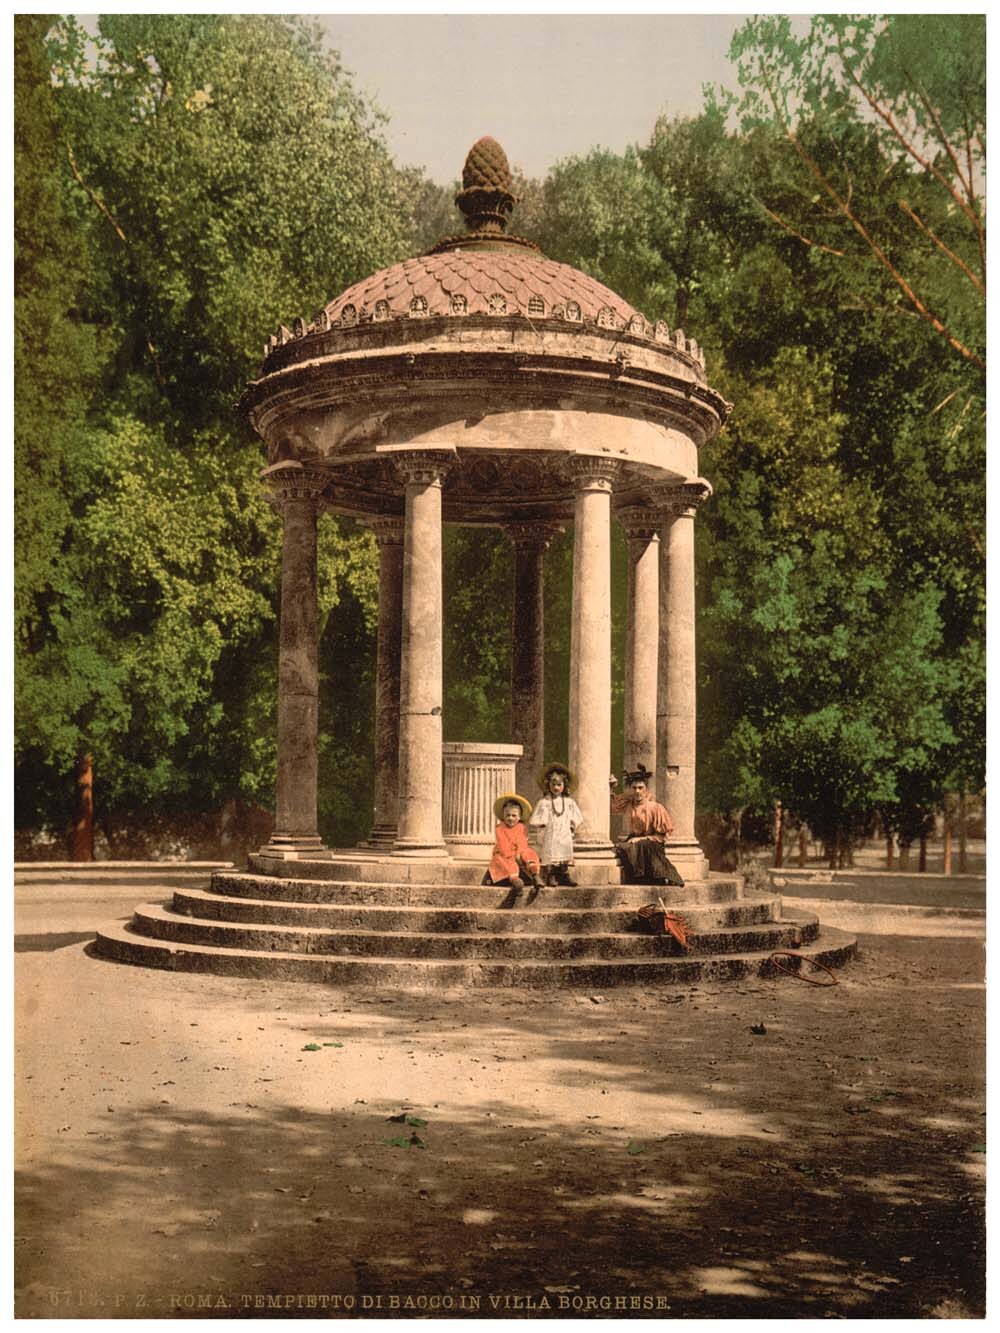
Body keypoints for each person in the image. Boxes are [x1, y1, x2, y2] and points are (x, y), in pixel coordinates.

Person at [609, 765, 685, 886]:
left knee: (640, 846)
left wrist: (640, 839)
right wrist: (611, 788)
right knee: (621, 848)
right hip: (636, 839)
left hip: (652, 843)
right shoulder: (629, 803)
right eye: (634, 788)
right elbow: (612, 807)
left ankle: (660, 875)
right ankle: (639, 877)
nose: (637, 791)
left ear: (646, 789)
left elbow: (661, 836)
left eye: (640, 788)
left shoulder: (655, 807)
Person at [530, 762, 583, 887]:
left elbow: (577, 816)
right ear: (548, 785)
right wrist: (542, 824)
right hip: (551, 831)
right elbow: (537, 818)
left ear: (564, 785)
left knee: (564, 850)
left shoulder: (569, 802)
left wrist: (572, 824)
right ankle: (551, 874)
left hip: (564, 831)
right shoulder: (545, 802)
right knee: (552, 851)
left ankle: (564, 874)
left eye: (559, 785)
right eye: (553, 784)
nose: (556, 787)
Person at [485, 793, 545, 902]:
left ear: (519, 816)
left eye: (514, 815)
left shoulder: (521, 828)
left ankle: (535, 874)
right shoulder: (500, 828)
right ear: (503, 816)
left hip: (518, 853)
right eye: (507, 815)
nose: (510, 818)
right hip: (505, 853)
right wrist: (513, 856)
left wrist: (520, 854)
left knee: (529, 853)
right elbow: (503, 845)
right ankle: (515, 881)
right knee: (503, 860)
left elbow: (522, 843)